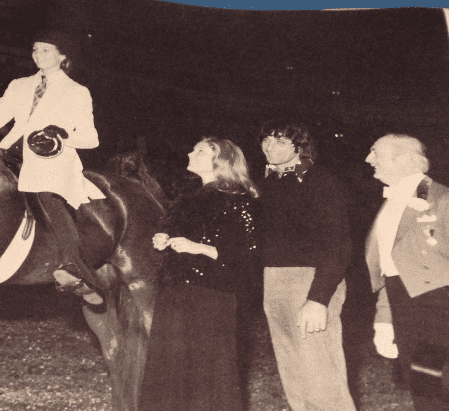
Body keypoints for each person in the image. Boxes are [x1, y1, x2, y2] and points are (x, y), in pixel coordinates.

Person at [0, 29, 105, 304]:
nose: (39, 55)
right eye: (35, 50)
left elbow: (91, 138)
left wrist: (63, 135)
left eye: (46, 50)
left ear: (63, 56)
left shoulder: (77, 91)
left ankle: (76, 268)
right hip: (8, 151)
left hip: (51, 160)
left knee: (43, 194)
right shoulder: (20, 85)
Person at [138, 137, 260, 411]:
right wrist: (164, 239)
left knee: (208, 370)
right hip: (176, 292)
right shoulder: (187, 199)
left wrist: (199, 248)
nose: (190, 152)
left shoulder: (239, 200)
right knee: (171, 368)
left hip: (211, 295)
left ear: (221, 161)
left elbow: (248, 255)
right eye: (193, 148)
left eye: (200, 151)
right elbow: (178, 238)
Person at [259, 122, 356, 411]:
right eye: (265, 140)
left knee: (321, 374)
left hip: (310, 282)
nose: (268, 146)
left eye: (278, 141)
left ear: (298, 146)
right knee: (293, 372)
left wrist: (318, 298)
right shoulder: (266, 184)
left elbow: (338, 242)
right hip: (273, 281)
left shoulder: (319, 180)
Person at [365, 134, 449, 411]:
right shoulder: (390, 202)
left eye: (375, 153)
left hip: (439, 305)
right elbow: (390, 268)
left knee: (446, 388)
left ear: (403, 158)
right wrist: (384, 319)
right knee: (425, 388)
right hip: (403, 303)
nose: (369, 160)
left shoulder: (446, 200)